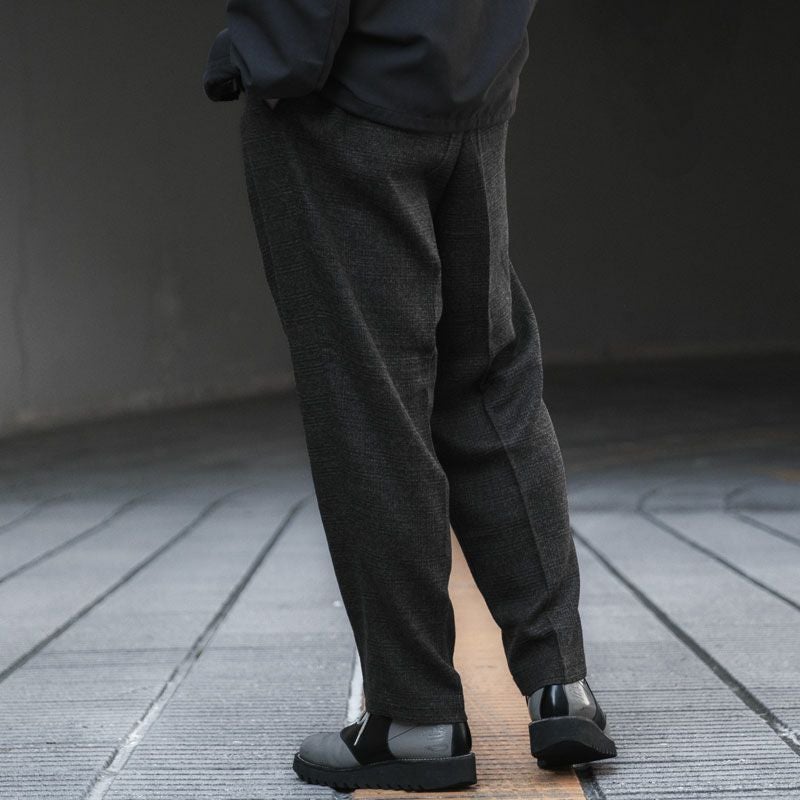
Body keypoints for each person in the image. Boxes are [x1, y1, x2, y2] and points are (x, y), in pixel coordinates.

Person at [202, 0, 616, 791]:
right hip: (470, 82)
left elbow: (297, 35)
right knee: (489, 383)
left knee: (371, 402)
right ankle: (561, 685)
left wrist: (266, 57)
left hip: (342, 105)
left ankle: (414, 717)